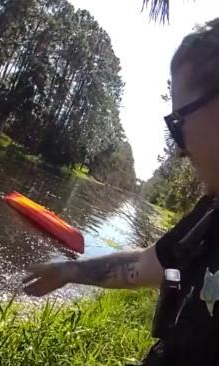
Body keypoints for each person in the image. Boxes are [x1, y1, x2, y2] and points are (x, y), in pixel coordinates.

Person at [22, 19, 219, 366]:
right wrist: (68, 272)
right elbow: (144, 264)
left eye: (177, 123)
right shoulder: (210, 215)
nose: (179, 150)